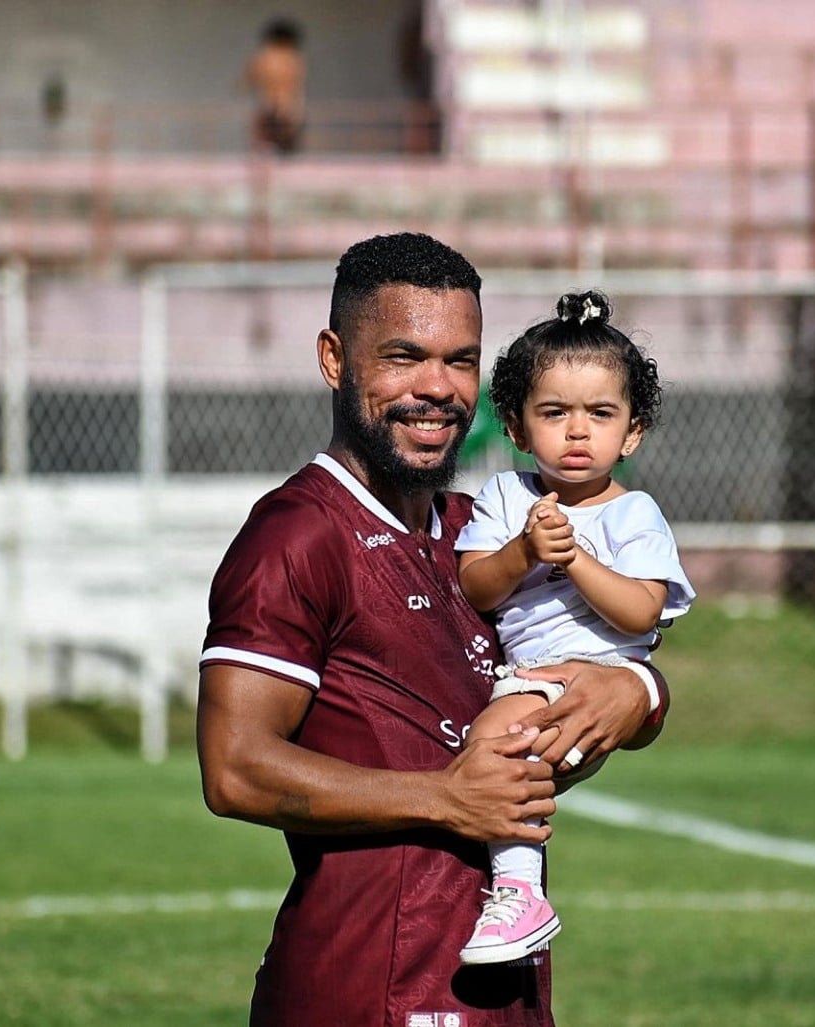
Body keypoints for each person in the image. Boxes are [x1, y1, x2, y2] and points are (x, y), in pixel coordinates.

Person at [197, 233, 673, 1026]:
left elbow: (597, 651)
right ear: (333, 359)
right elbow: (235, 768)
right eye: (404, 356)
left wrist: (640, 690)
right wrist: (447, 798)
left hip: (500, 988)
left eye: (460, 360)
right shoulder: (295, 534)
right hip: (366, 989)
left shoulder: (482, 532)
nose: (438, 387)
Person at [454, 291, 695, 965]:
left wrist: (574, 559)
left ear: (634, 430)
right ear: (517, 427)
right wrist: (525, 551)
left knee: (496, 743)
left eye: (600, 413)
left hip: (594, 673)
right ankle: (513, 887)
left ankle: (521, 891)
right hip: (529, 674)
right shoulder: (506, 497)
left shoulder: (635, 513)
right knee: (498, 755)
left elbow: (641, 611)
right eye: (555, 413)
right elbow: (476, 585)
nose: (579, 431)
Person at [244, 17, 306, 155]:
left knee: (263, 153)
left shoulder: (264, 57)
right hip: (288, 109)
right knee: (286, 154)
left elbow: (249, 81)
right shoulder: (294, 58)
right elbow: (298, 88)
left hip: (267, 107)